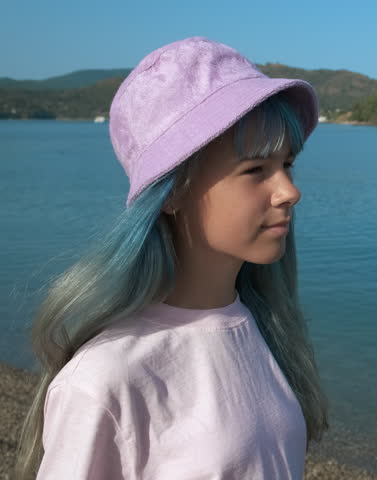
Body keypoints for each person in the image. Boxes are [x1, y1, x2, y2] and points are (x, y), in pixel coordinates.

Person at [14, 36, 329, 479]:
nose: (289, 191)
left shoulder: (263, 328)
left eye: (288, 165)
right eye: (255, 170)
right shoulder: (107, 378)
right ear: (174, 191)